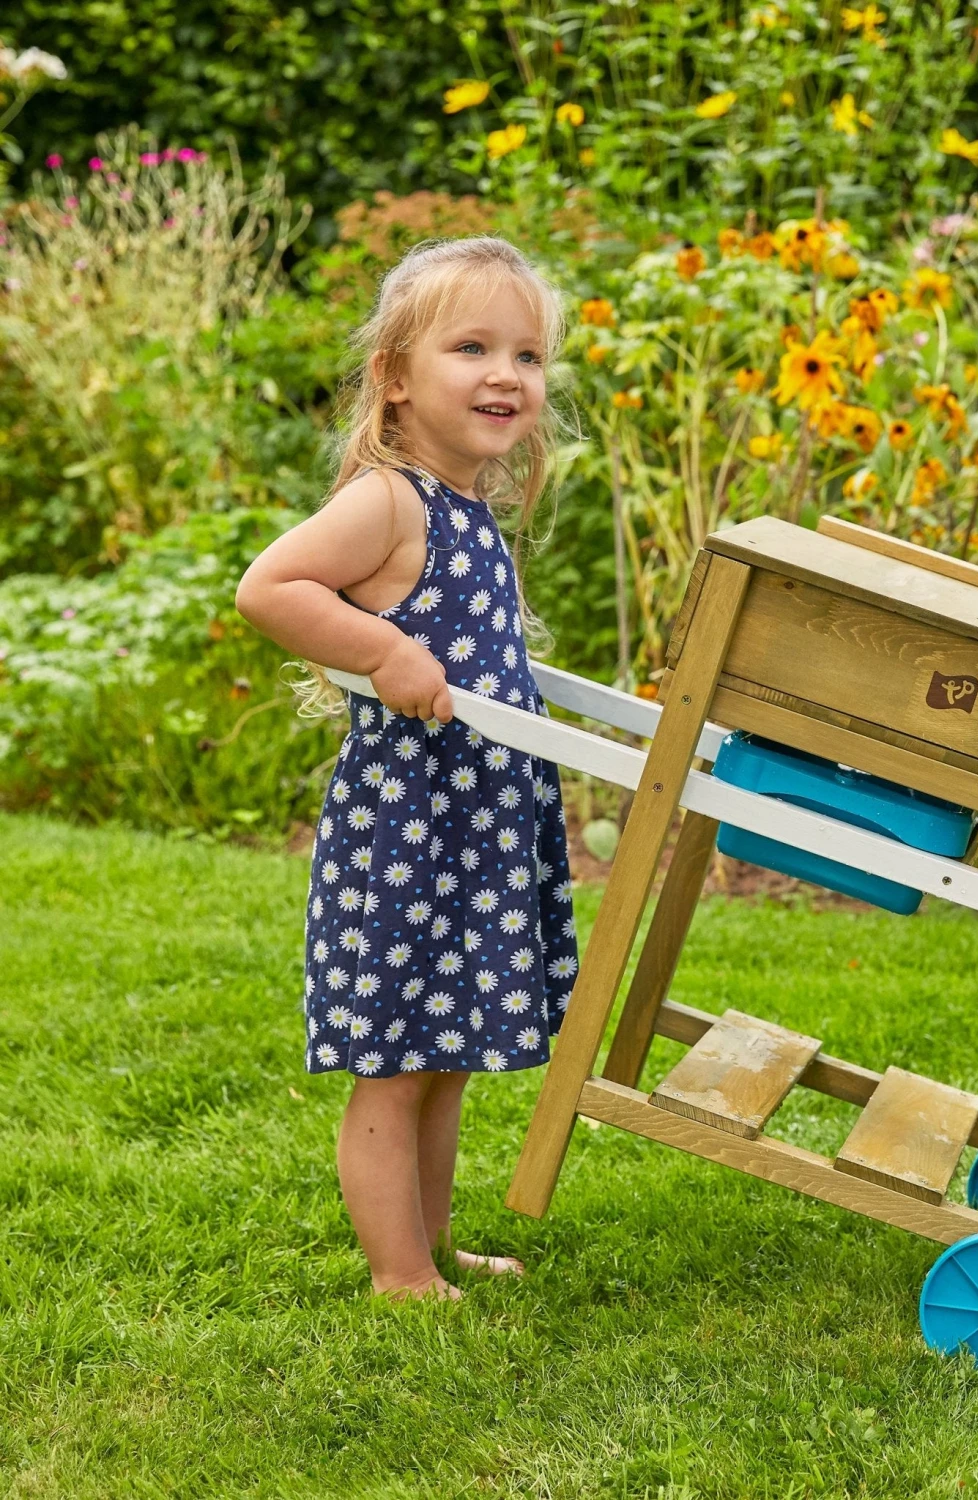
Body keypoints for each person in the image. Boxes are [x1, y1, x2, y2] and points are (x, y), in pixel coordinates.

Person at [236, 237, 579, 1302]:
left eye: (525, 355)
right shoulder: (391, 501)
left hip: (472, 831)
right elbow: (270, 587)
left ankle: (428, 1249)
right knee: (392, 1068)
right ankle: (399, 1275)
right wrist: (383, 652)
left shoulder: (469, 511)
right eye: (470, 346)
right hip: (406, 839)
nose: (503, 374)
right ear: (393, 376)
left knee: (449, 1054)